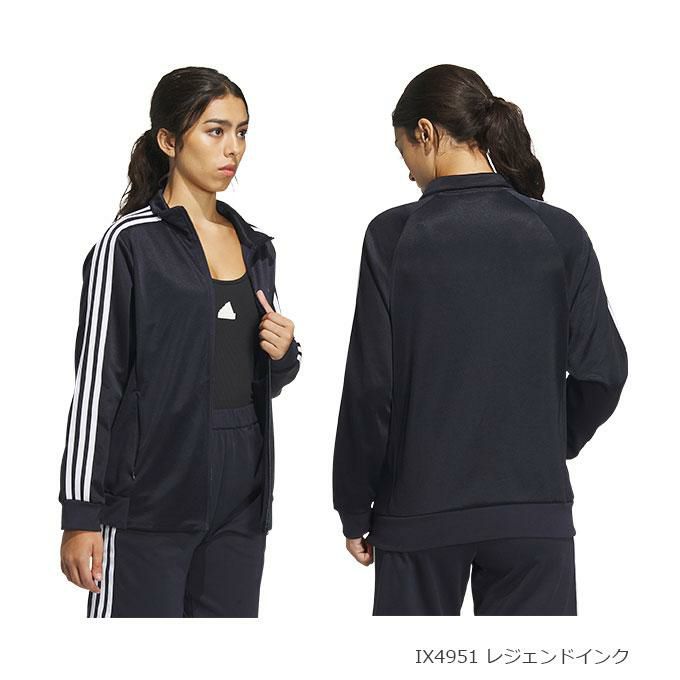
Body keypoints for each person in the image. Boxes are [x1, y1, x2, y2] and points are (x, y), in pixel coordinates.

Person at [332, 64, 628, 616]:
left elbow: (372, 389)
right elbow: (603, 372)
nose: (408, 173)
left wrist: (353, 505)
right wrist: (547, 441)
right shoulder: (558, 231)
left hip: (417, 515)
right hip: (533, 515)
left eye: (403, 151)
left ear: (426, 132)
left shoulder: (393, 236)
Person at [58, 66, 302, 617]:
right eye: (215, 131)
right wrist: (81, 513)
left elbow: (258, 377)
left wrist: (284, 352)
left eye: (242, 132)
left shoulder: (255, 246)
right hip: (151, 495)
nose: (233, 148)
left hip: (242, 497)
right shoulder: (129, 245)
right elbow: (97, 385)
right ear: (169, 141)